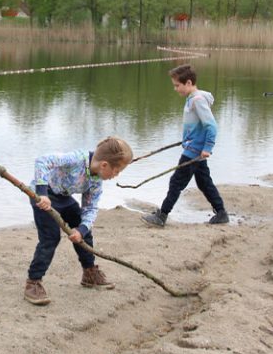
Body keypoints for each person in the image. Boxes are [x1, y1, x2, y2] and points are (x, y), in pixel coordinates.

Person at [24, 136, 134, 306]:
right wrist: (42, 193)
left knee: (84, 230)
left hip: (63, 197)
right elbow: (42, 161)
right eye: (117, 171)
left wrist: (81, 231)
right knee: (50, 238)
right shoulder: (76, 159)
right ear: (104, 165)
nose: (116, 175)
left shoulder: (96, 180)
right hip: (43, 196)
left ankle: (89, 273)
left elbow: (90, 208)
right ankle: (33, 282)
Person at [142, 64, 229, 227]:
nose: (176, 89)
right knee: (204, 182)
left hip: (194, 152)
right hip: (194, 148)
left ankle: (162, 215)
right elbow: (197, 126)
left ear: (188, 83)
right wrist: (186, 139)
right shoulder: (193, 99)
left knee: (176, 182)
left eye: (177, 85)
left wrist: (207, 148)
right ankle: (221, 212)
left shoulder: (197, 100)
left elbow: (211, 126)